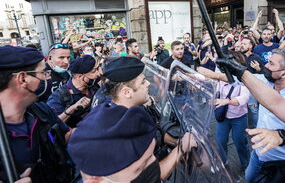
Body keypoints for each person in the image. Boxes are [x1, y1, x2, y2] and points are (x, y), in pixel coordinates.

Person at [68, 57, 197, 182]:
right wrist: (181, 148)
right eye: (142, 82)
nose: (148, 84)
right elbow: (149, 175)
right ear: (126, 92)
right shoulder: (119, 129)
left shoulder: (117, 111)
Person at [215, 49, 285, 182]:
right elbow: (240, 78)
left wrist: (280, 136)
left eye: (271, 64)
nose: (265, 65)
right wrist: (216, 72)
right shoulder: (267, 83)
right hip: (259, 156)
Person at [0, 46, 74, 182]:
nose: (48, 78)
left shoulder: (41, 111)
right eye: (43, 73)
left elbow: (67, 135)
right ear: (22, 79)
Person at [197, 51, 250, 171]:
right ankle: (222, 162)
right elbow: (211, 82)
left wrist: (227, 101)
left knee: (240, 143)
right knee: (220, 141)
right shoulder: (221, 75)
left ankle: (246, 164)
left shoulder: (244, 78)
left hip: (239, 117)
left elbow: (245, 98)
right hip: (224, 117)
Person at [47, 55, 101, 127]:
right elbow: (53, 124)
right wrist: (72, 108)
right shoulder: (58, 96)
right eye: (94, 71)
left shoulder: (94, 86)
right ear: (80, 76)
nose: (98, 74)